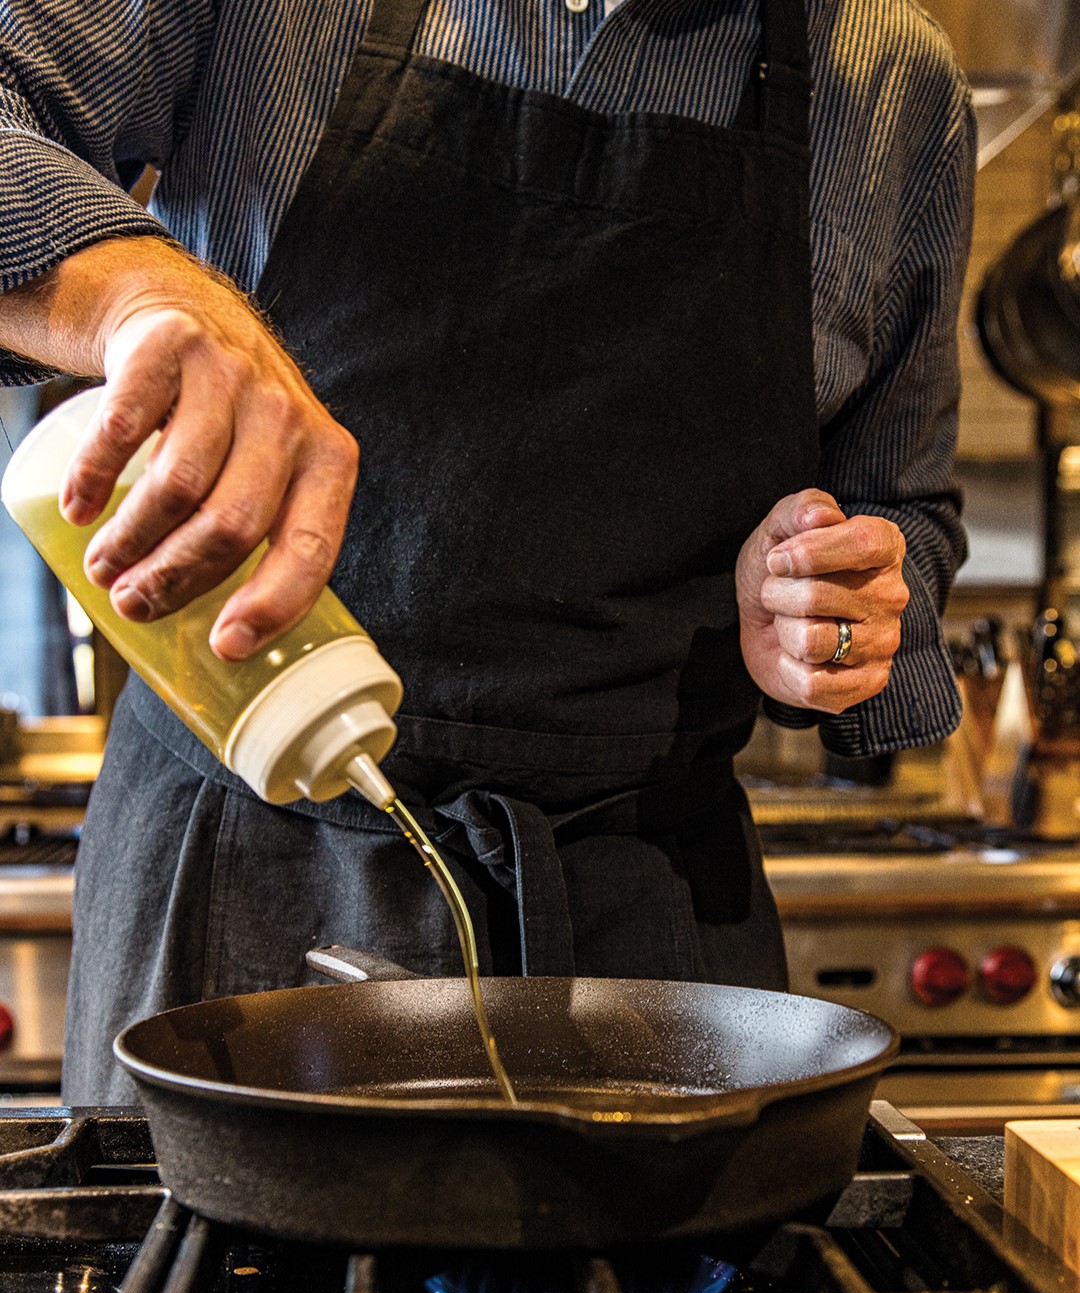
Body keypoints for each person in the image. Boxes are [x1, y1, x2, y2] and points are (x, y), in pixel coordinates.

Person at [0, 0, 973, 1103]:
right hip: (238, 872)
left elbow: (899, 508)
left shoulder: (894, 88)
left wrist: (831, 598)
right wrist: (139, 296)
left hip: (646, 919)